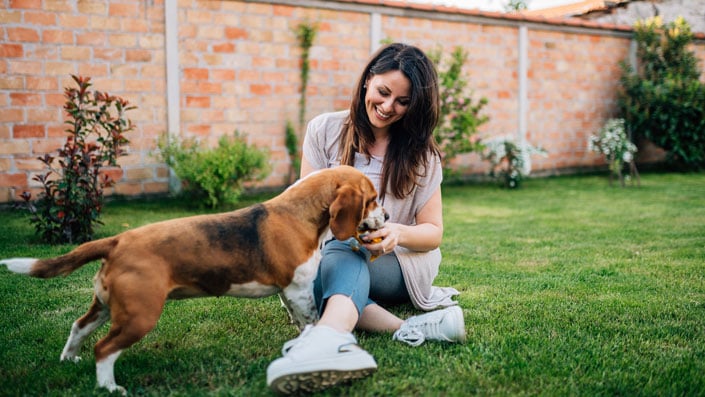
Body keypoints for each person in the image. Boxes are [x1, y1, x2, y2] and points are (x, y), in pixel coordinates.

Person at [266, 42, 465, 394]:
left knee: (344, 248)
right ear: (367, 81)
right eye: (383, 92)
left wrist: (397, 234)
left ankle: (329, 339)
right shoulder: (324, 130)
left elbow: (433, 234)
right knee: (315, 274)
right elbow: (303, 212)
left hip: (400, 264)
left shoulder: (422, 155)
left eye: (403, 102)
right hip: (331, 256)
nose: (388, 107)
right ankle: (409, 328)